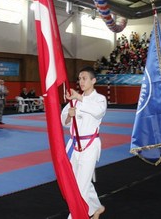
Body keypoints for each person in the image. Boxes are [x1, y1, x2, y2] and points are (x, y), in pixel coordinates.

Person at [61, 66, 106, 219]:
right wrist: (69, 116)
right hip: (74, 147)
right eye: (79, 78)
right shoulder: (75, 100)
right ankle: (97, 207)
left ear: (93, 80)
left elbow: (98, 111)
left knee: (80, 188)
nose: (81, 81)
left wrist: (79, 99)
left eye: (84, 78)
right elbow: (64, 122)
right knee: (76, 182)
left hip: (89, 146)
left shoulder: (99, 99)